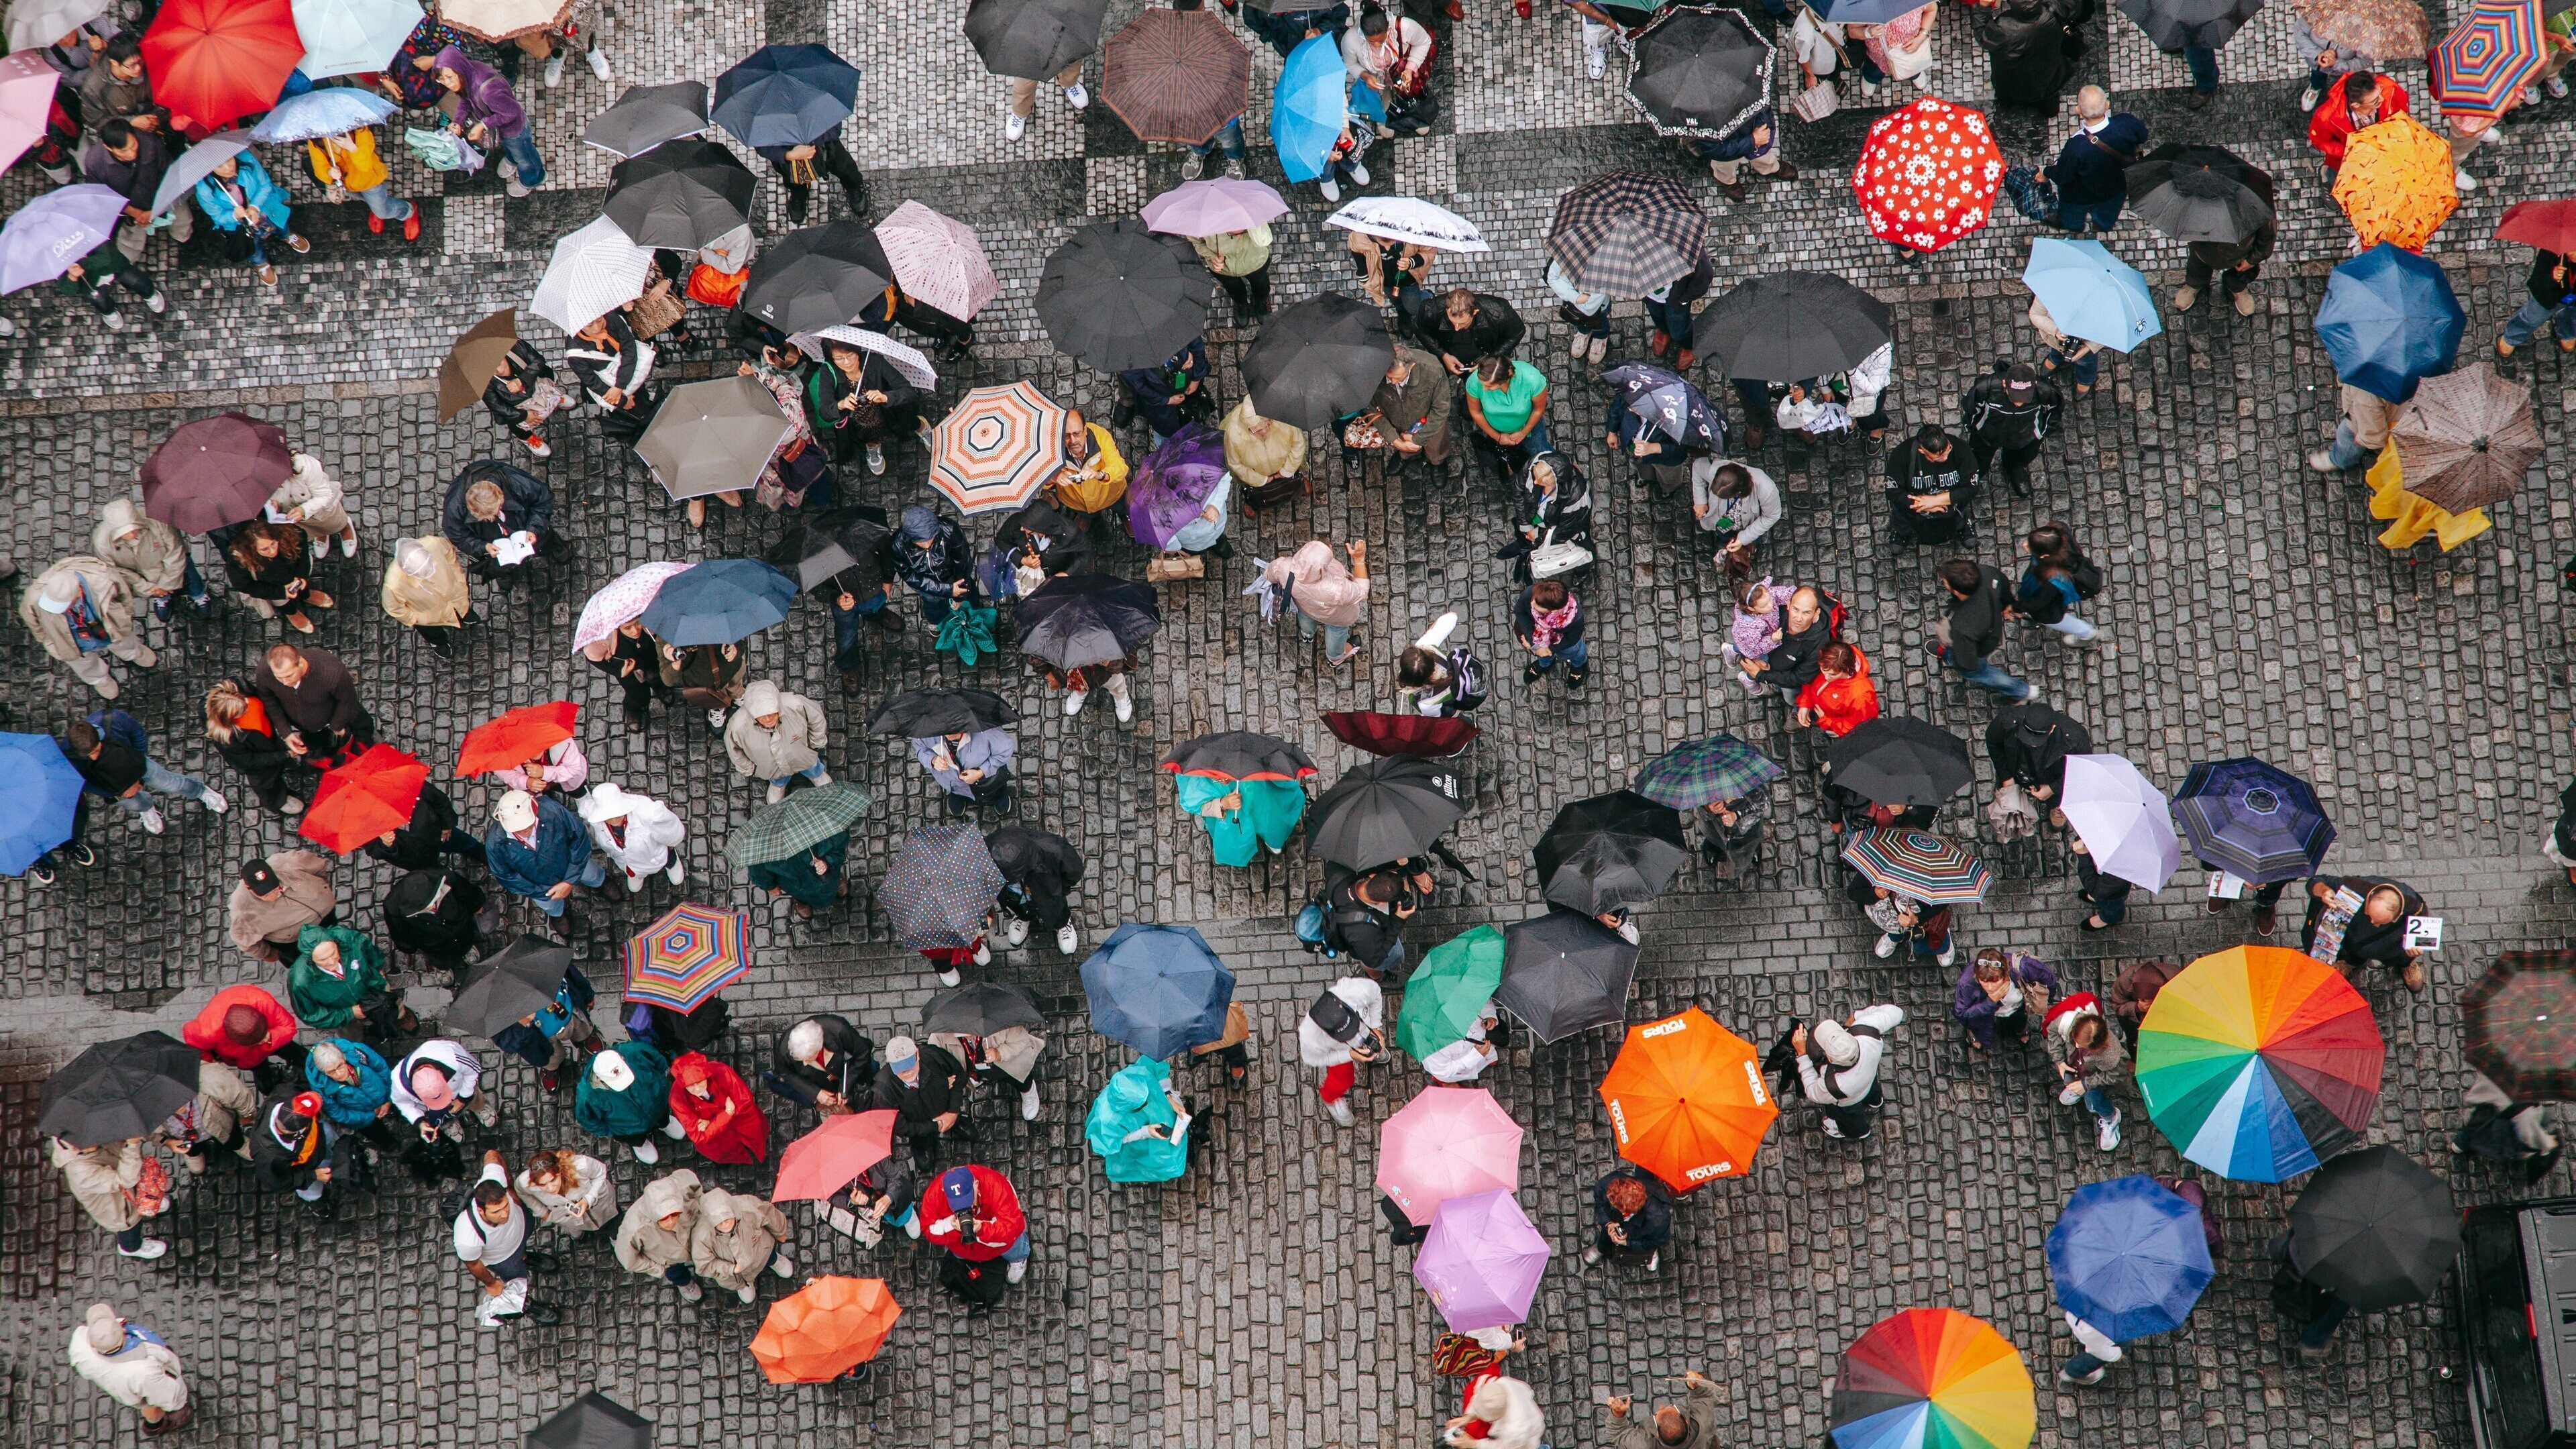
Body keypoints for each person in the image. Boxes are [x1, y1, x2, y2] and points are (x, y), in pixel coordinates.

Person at [63, 713, 225, 837]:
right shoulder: (67, 756)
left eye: (96, 751)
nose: (94, 758)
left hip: (138, 765)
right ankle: (147, 808)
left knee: (173, 784)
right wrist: (116, 792)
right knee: (136, 804)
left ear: (98, 736)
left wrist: (137, 764)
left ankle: (201, 791)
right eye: (88, 755)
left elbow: (138, 735)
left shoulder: (113, 720)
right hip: (114, 787)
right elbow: (85, 783)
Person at [455, 1149, 564, 1328]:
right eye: (497, 1212)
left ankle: (526, 1257)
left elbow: (492, 1155)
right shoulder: (467, 1235)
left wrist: (511, 1189)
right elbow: (473, 1263)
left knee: (522, 1249)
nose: (505, 1214)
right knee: (514, 1287)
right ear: (481, 1210)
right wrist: (491, 1283)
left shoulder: (494, 1180)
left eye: (505, 1206)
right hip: (505, 1259)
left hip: (522, 1229)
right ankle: (527, 1305)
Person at [21, 555, 156, 698]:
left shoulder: (104, 578)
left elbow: (124, 597)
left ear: (79, 591)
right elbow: (35, 626)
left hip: (107, 626)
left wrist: (123, 619)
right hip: (71, 640)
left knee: (123, 641)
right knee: (84, 663)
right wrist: (50, 643)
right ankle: (99, 680)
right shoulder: (33, 597)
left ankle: (134, 653)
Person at [434, 46, 543, 197]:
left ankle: (532, 180)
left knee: (526, 158)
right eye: (442, 79)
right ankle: (512, 159)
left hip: (514, 131)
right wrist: (458, 121)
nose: (448, 83)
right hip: (502, 130)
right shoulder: (467, 75)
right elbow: (466, 99)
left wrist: (483, 125)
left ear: (458, 69)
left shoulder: (487, 90)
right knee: (514, 150)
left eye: (450, 77)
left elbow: (513, 112)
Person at [68, 1303, 191, 1437]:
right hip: (143, 1384)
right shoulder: (143, 1371)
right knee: (153, 1405)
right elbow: (167, 1394)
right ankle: (155, 1426)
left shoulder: (79, 1344)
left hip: (118, 1384)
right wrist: (177, 1401)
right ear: (123, 1331)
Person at [83, 118, 192, 266]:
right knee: (130, 240)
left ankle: (184, 239)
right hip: (130, 209)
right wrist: (134, 213)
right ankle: (128, 262)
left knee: (183, 220)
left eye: (133, 146)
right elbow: (103, 196)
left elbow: (169, 173)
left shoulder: (150, 143)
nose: (131, 154)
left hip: (163, 196)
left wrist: (157, 208)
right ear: (108, 148)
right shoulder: (94, 163)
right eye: (123, 151)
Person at [192, 151, 307, 288]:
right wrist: (234, 215)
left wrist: (254, 207)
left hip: (264, 210)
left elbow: (265, 185)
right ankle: (261, 262)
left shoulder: (246, 159)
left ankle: (286, 236)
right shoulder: (204, 189)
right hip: (240, 226)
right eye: (219, 166)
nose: (228, 168)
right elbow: (217, 216)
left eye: (229, 160)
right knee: (253, 245)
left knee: (280, 225)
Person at [441, 462, 569, 586]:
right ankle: (504, 571)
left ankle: (551, 545)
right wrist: (483, 547)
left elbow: (542, 500)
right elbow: (458, 537)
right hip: (488, 537)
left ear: (501, 496)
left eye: (497, 510)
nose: (494, 518)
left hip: (521, 519)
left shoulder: (516, 482)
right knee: (498, 563)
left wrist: (533, 528)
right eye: (488, 517)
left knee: (543, 538)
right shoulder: (454, 509)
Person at [484, 789, 604, 920]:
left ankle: (601, 882)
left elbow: (578, 838)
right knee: (551, 906)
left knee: (593, 875)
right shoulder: (494, 843)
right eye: (517, 828)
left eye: (527, 825)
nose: (524, 831)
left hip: (573, 863)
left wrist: (570, 880)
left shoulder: (552, 810)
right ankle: (558, 915)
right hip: (540, 887)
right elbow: (505, 876)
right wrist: (543, 892)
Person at [1792, 1004, 1906, 1140]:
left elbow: (1812, 1091)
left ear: (1830, 1059)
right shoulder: (1866, 1030)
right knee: (1871, 1089)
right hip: (1869, 1077)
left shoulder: (1832, 1085)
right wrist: (1857, 1017)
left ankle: (1859, 1132)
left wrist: (1802, 1054)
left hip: (1850, 1100)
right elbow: (1896, 1012)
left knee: (1851, 1117)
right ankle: (1876, 1102)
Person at [2300, 875, 2430, 991]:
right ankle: (2350, 963)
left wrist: (2416, 946)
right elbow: (2315, 881)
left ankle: (2407, 964)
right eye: (2370, 914)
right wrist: (2323, 891)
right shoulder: (2354, 887)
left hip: (2392, 944)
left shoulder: (2415, 906)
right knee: (2352, 952)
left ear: (2398, 916)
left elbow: (2423, 934)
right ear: (2369, 899)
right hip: (2355, 938)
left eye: (2379, 921)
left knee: (2401, 955)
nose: (2372, 922)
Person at [2044, 88, 2146, 234]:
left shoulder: (2077, 146)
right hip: (2116, 188)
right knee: (2108, 213)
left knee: (2071, 213)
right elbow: (2143, 135)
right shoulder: (2126, 123)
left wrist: (2047, 172)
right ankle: (2102, 226)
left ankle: (2074, 226)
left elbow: (2064, 176)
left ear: (2078, 111)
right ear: (2107, 105)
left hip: (2081, 194)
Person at [50, 1132, 166, 1259]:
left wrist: (162, 1140)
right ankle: (130, 1248)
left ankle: (146, 1204)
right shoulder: (81, 1173)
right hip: (119, 1210)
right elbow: (126, 1180)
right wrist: (132, 1146)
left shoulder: (88, 1137)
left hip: (130, 1190)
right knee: (130, 1227)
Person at [284, 923, 407, 1044]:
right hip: (341, 1012)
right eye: (322, 960)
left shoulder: (347, 938)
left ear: (335, 944)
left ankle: (401, 1017)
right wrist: (349, 1013)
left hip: (372, 989)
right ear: (310, 958)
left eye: (333, 953)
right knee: (352, 1035)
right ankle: (359, 1044)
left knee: (391, 1003)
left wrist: (378, 969)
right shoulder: (300, 980)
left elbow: (368, 949)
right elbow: (310, 1015)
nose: (331, 962)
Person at [1934, 557, 2035, 703]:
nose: (1943, 581)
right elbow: (2002, 582)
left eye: (1945, 581)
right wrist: (2008, 603)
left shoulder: (1962, 626)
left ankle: (2021, 692)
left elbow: (1968, 663)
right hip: (1990, 629)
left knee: (1979, 672)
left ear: (1956, 591)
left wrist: (1956, 659)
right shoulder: (1986, 573)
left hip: (1979, 647)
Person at [564, 309, 664, 454]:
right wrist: (623, 401)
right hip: (609, 390)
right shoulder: (574, 353)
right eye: (590, 325)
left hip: (627, 376)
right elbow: (592, 382)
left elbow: (629, 349)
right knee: (627, 418)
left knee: (642, 401)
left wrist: (620, 386)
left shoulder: (612, 318)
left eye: (599, 320)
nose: (597, 328)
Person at [92, 498, 207, 625]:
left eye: (133, 528)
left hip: (175, 567)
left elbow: (175, 551)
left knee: (192, 580)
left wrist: (165, 584)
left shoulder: (157, 520)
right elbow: (115, 572)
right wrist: (150, 588)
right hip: (146, 577)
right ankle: (162, 597)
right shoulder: (102, 544)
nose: (131, 535)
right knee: (157, 592)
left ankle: (198, 595)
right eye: (125, 532)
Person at [251, 643, 373, 761]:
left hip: (335, 718)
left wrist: (337, 726)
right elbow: (268, 699)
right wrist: (286, 732)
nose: (285, 682)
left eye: (289, 675)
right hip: (307, 727)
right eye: (279, 677)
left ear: (300, 662)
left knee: (362, 740)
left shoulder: (332, 672)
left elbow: (347, 700)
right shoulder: (265, 671)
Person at [492, 963, 601, 1093]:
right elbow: (507, 1042)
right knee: (552, 1058)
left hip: (569, 1011)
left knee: (581, 1029)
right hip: (541, 1037)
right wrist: (523, 1024)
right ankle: (551, 1068)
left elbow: (571, 973)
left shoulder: (540, 962)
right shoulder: (495, 1006)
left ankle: (585, 1038)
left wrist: (587, 995)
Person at [250, 1088, 360, 1216]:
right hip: (305, 1168)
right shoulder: (268, 1156)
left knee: (334, 1141)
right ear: (299, 1131)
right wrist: (313, 1175)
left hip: (320, 1137)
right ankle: (317, 1203)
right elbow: (277, 1182)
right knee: (312, 1191)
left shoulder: (286, 1093)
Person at [1959, 362, 2061, 498]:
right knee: (1979, 460)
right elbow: (1971, 409)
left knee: (2019, 459)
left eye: (2025, 397)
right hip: (1988, 435)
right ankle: (1973, 479)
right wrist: (1975, 428)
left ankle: (2014, 470)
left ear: (2034, 385)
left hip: (2025, 438)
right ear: (2004, 384)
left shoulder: (2046, 391)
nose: (2018, 403)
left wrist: (2040, 434)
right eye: (2014, 396)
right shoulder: (1985, 388)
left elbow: (2054, 412)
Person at [1085, 1056, 1194, 1183]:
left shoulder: (1133, 1078)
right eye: (1142, 1105)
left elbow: (1156, 1075)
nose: (1147, 1105)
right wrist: (1145, 1132)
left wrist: (1169, 1097)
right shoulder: (1107, 1121)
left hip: (1149, 1117)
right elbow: (1118, 1140)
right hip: (1137, 1137)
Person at [723, 680, 832, 805]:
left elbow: (816, 719)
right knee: (777, 777)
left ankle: (816, 774)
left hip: (803, 756)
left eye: (771, 713)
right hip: (772, 768)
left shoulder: (795, 704)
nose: (768, 719)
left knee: (811, 766)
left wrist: (815, 743)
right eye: (762, 715)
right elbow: (734, 751)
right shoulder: (737, 727)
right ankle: (779, 783)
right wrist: (749, 768)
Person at [576, 1041, 685, 1165]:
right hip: (629, 1129)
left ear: (622, 1059)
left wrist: (661, 1087)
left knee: (662, 1116)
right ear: (600, 1079)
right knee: (635, 1139)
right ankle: (640, 1144)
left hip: (658, 1106)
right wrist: (613, 1132)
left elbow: (659, 1062)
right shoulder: (587, 1095)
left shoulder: (636, 1051)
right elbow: (588, 1120)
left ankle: (665, 1123)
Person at [988, 824, 1085, 959]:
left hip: (1045, 891)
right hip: (1015, 895)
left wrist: (1059, 890)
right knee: (1018, 904)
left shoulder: (1052, 850)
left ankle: (1062, 923)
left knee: (1055, 908)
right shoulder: (991, 850)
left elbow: (1074, 871)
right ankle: (1024, 916)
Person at [1299, 975, 1386, 1126]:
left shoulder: (1356, 991)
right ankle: (1330, 1099)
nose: (1354, 1036)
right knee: (1343, 1079)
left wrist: (1376, 1027)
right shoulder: (1311, 1038)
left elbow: (1376, 994)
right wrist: (1349, 1054)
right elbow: (1313, 1059)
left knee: (1371, 1039)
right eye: (1346, 1035)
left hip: (1366, 1029)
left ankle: (1371, 1049)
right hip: (1338, 1051)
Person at [2045, 992, 2128, 1150]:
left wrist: (2085, 1085)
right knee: (2072, 1080)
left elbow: (2117, 1075)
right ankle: (2076, 1089)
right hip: (2077, 1065)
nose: (2076, 1046)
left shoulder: (2111, 1054)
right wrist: (2060, 1062)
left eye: (2081, 1045)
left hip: (2092, 1076)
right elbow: (2053, 1031)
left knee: (2093, 1103)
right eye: (2075, 1041)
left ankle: (2111, 1117)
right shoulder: (2068, 1021)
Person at [1266, 540, 1368, 667]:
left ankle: (1308, 635)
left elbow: (1269, 575)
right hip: (1336, 616)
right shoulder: (1338, 589)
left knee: (1306, 618)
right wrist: (1359, 560)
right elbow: (1362, 591)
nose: (1330, 547)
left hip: (1306, 607)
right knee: (1336, 631)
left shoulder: (1284, 566)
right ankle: (1335, 658)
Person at [225, 851, 340, 964]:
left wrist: (322, 888)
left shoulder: (290, 862)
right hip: (295, 942)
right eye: (266, 894)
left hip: (327, 918)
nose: (273, 895)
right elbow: (243, 939)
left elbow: (319, 866)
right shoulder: (242, 909)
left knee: (338, 945)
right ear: (248, 887)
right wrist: (268, 954)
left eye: (275, 888)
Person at [310, 122, 419, 242]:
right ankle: (375, 207)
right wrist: (329, 172)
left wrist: (352, 148)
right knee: (370, 201)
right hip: (347, 186)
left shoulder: (360, 130)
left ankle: (408, 211)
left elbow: (365, 166)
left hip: (370, 183)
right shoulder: (317, 140)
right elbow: (319, 169)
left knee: (383, 213)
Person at [924, 1163, 1031, 1284]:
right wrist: (951, 1225)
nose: (966, 1208)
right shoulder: (936, 1196)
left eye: (968, 1200)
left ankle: (1018, 1258)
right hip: (964, 1248)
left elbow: (1012, 1228)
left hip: (1002, 1244)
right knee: (961, 1254)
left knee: (1015, 1248)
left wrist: (981, 1229)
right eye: (957, 1205)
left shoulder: (997, 1186)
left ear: (976, 1185)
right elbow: (929, 1228)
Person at [1359, 345, 1453, 482]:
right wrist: (1394, 439)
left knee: (1436, 444)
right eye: (1389, 377)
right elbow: (1370, 407)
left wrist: (1418, 439)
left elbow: (1441, 409)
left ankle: (1438, 460)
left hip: (1430, 423)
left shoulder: (1433, 370)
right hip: (1397, 423)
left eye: (1398, 378)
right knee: (1404, 446)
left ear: (1411, 366)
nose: (1393, 382)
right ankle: (1405, 455)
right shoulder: (1372, 372)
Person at [692, 1182, 795, 1304]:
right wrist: (731, 1269)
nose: (724, 1224)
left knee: (768, 1256)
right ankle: (743, 1285)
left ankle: (774, 1260)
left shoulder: (748, 1206)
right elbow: (704, 1264)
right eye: (718, 1221)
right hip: (734, 1274)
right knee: (736, 1281)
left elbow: (769, 1214)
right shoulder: (701, 1236)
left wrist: (780, 1232)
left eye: (727, 1218)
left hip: (760, 1249)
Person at [875, 1034, 974, 1161]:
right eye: (900, 1067)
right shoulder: (883, 1090)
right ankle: (922, 1147)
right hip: (918, 1126)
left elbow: (959, 1075)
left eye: (909, 1063)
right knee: (921, 1140)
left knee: (954, 1119)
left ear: (918, 1054)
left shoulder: (933, 1056)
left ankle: (956, 1123)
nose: (907, 1071)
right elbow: (900, 1126)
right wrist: (935, 1126)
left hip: (944, 1106)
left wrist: (953, 1111)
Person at [152, 1057, 256, 1177]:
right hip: (184, 1138)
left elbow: (240, 1097)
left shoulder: (211, 1078)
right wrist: (167, 1141)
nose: (176, 1106)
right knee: (191, 1149)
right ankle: (194, 1154)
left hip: (223, 1123)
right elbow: (148, 1131)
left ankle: (239, 1145)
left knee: (233, 1138)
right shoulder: (143, 1107)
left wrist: (247, 1116)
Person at [577, 782, 686, 895]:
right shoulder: (592, 815)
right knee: (634, 873)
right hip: (629, 862)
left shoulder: (649, 814)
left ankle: (671, 862)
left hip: (655, 854)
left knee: (667, 855)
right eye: (608, 816)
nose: (614, 820)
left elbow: (671, 829)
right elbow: (584, 811)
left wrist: (672, 844)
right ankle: (636, 874)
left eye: (617, 813)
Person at [615, 1169, 707, 1301]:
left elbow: (695, 1187)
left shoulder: (682, 1186)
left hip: (692, 1236)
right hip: (668, 1260)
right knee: (676, 1273)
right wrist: (658, 1269)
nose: (671, 1222)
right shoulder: (633, 1228)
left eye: (675, 1214)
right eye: (663, 1219)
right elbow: (627, 1258)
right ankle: (684, 1283)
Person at [1504, 451, 1593, 586]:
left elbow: (1564, 531)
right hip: (1537, 522)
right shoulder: (1536, 464)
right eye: (1536, 478)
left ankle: (1582, 571)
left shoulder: (1577, 496)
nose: (1535, 482)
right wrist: (1526, 526)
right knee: (1527, 540)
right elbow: (1518, 491)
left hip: (1568, 531)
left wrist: (1536, 536)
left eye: (1541, 481)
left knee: (1580, 551)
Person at [384, 867, 488, 981]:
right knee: (441, 959)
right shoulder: (393, 909)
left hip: (462, 929)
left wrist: (477, 905)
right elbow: (401, 935)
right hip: (435, 946)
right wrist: (410, 947)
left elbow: (467, 892)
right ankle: (443, 967)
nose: (435, 907)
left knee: (465, 941)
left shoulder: (445, 876)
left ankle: (466, 950)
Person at [381, 536, 477, 659]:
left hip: (453, 594)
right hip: (426, 612)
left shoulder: (435, 544)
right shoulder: (393, 585)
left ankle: (464, 613)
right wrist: (417, 619)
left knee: (461, 604)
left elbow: (450, 555)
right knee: (432, 632)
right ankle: (438, 643)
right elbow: (394, 608)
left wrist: (458, 579)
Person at [755, 122, 868, 226]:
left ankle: (854, 188)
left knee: (845, 169)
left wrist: (814, 142)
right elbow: (761, 143)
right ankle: (799, 195)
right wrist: (788, 155)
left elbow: (835, 126)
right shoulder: (764, 116)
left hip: (827, 149)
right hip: (790, 161)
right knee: (794, 181)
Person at [2174, 206, 2276, 321]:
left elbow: (2268, 234)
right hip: (2203, 248)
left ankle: (2237, 286)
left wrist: (2252, 260)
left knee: (2241, 272)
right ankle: (2195, 283)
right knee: (2198, 267)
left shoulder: (2255, 203)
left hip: (2241, 252)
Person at [1974, 0, 2078, 112]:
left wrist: (1983, 8)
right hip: (2049, 74)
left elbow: (1983, 36)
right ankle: (2050, 111)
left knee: (2008, 101)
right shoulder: (2055, 11)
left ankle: (2008, 108)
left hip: (2013, 82)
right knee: (2049, 98)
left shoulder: (2003, 29)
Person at [392, 1039, 499, 1146]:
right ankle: (448, 1123)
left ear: (441, 1073)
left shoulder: (451, 1056)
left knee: (474, 1099)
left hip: (461, 1088)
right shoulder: (397, 1084)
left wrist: (464, 1098)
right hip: (434, 1111)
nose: (444, 1102)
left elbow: (473, 1071)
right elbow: (402, 1103)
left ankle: (479, 1107)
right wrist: (419, 1121)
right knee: (440, 1118)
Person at [303, 1038, 399, 1158]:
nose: (339, 1073)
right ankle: (389, 1144)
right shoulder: (320, 1087)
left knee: (399, 1107)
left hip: (383, 1096)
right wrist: (369, 1116)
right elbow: (338, 1113)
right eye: (332, 1072)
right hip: (362, 1117)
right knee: (377, 1133)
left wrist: (388, 1099)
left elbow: (382, 1070)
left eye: (340, 1066)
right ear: (323, 1072)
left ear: (344, 1058)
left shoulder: (359, 1052)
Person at [1735, 584, 1831, 702]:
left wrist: (1761, 675)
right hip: (1769, 666)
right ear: (1788, 604)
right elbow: (1747, 633)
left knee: (1791, 699)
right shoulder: (1775, 611)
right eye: (1795, 609)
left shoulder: (1820, 647)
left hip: (1788, 682)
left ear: (1816, 614)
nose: (1798, 619)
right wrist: (1751, 659)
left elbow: (1799, 678)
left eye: (1806, 613)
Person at [2013, 523, 2104, 647]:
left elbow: (2036, 603)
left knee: (2052, 618)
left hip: (2051, 605)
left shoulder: (2050, 582)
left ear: (2044, 555)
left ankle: (2087, 633)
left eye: (2030, 546)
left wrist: (2015, 607)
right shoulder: (2060, 533)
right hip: (2056, 591)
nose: (2025, 545)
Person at [1464, 354, 1552, 482]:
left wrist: (1524, 433)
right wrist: (1498, 437)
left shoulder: (1532, 379)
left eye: (1489, 386)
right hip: (1495, 428)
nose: (1483, 388)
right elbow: (1476, 412)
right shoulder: (1475, 381)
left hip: (1528, 426)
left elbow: (1538, 410)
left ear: (1503, 380)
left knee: (1541, 452)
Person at [670, 1052, 769, 1165]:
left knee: (757, 1138)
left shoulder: (721, 1071)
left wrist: (712, 1124)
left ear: (706, 1075)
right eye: (691, 1085)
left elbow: (745, 1101)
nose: (697, 1089)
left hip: (741, 1123)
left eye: (700, 1082)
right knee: (728, 1154)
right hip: (720, 1141)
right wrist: (727, 1114)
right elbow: (699, 1136)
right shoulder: (677, 1099)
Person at [1953, 949, 2057, 1052]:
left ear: (2005, 973)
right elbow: (1961, 1013)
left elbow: (2048, 978)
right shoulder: (1966, 983)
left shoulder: (2025, 966)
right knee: (1978, 1024)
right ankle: (1977, 1034)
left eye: (1995, 982)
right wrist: (1990, 1002)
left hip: (2017, 1008)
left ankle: (2021, 1031)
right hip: (1983, 1013)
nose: (1990, 988)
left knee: (2019, 1020)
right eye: (1984, 982)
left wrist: (2050, 996)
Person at [2308, 72, 2404, 182]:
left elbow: (2401, 111)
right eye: (2375, 101)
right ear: (2356, 105)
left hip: (2382, 150)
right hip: (2350, 160)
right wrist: (2349, 151)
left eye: (2380, 93)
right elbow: (2320, 141)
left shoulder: (2389, 88)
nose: (2382, 99)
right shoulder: (2327, 116)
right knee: (2338, 178)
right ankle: (2327, 174)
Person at [767, 1014, 875, 1112]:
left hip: (854, 1069)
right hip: (822, 1081)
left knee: (871, 1076)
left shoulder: (839, 1030)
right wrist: (816, 1093)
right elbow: (785, 1073)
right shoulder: (785, 1049)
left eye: (809, 1058)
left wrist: (845, 1085)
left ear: (819, 1047)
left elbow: (862, 1053)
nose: (805, 1064)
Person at [1118, 337, 1212, 449]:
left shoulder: (1174, 329)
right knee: (1166, 432)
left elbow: (1196, 344)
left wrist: (1196, 379)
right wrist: (1167, 401)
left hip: (1186, 384)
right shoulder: (1130, 356)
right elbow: (1140, 386)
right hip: (1161, 407)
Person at [482, 339, 568, 458]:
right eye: (491, 370)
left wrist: (522, 380)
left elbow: (538, 361)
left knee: (550, 393)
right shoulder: (483, 382)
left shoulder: (517, 346)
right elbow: (498, 407)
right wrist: (524, 415)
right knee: (514, 423)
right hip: (517, 407)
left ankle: (555, 401)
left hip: (539, 387)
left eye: (498, 363)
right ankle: (528, 438)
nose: (499, 371)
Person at [894, 506, 979, 627]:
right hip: (928, 586)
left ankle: (975, 610)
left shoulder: (949, 529)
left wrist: (959, 595)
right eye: (920, 541)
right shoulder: (898, 545)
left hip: (953, 576)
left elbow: (962, 561)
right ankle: (937, 622)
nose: (927, 545)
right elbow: (910, 577)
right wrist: (948, 590)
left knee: (970, 596)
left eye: (930, 538)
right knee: (933, 605)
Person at [2304, 368, 2401, 474]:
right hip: (2398, 411)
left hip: (2366, 422)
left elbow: (2374, 436)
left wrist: (2361, 440)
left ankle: (2340, 460)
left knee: (2347, 438)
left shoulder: (2365, 395)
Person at [1692, 460, 1780, 574]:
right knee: (1723, 537)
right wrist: (1700, 501)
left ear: (1739, 492)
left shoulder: (1766, 489)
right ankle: (1724, 543)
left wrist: (1743, 539)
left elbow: (1772, 516)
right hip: (1723, 523)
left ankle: (1748, 551)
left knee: (1752, 542)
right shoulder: (1714, 471)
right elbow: (1698, 466)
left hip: (1749, 525)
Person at [515, 1148, 619, 1242]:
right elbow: (522, 1193)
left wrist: (589, 1198)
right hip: (566, 1217)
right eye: (542, 1185)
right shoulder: (524, 1183)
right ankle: (578, 1235)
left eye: (553, 1180)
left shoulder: (581, 1165)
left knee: (612, 1224)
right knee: (574, 1228)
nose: (550, 1189)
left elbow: (600, 1172)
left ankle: (615, 1237)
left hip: (600, 1206)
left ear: (560, 1171)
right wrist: (542, 1212)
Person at [1222, 399, 1307, 515]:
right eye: (1258, 430)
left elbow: (1299, 444)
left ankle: (1298, 483)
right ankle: (1252, 501)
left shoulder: (1283, 419)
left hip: (1284, 464)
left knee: (1295, 473)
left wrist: (1287, 470)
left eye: (1268, 424)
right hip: (1256, 473)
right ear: (1247, 428)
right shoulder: (1234, 435)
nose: (1265, 431)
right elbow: (1235, 465)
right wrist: (1260, 480)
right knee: (1252, 490)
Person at [1584, 1163, 1673, 1270]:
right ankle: (1602, 1248)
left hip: (1644, 1228)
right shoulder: (1607, 1184)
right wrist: (1608, 1223)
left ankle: (1650, 1253)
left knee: (1650, 1240)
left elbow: (1657, 1240)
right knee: (1645, 1166)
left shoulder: (1658, 1218)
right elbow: (1600, 1203)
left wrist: (1626, 1243)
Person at [913, 724, 1017, 817]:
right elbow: (919, 747)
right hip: (954, 783)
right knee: (957, 790)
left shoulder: (988, 730)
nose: (951, 734)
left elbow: (1005, 750)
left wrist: (981, 771)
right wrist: (932, 759)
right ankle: (959, 795)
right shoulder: (925, 730)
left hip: (988, 780)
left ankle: (999, 795)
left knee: (996, 789)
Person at [1419, 289, 1527, 379]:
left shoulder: (1499, 310)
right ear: (1447, 310)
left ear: (1475, 312)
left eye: (1462, 323)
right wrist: (1443, 355)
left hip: (1485, 351)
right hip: (1451, 349)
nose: (1456, 328)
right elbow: (1420, 330)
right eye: (1452, 322)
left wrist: (1491, 360)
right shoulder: (1430, 309)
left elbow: (1517, 332)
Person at [1697, 110, 1796, 207]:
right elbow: (1713, 149)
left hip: (1752, 131)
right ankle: (1728, 181)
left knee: (1764, 157)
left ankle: (1771, 167)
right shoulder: (1698, 112)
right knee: (1724, 168)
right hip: (1725, 147)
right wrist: (1752, 141)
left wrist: (1760, 127)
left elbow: (1764, 107)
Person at [749, 829, 852, 920]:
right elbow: (757, 872)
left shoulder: (819, 825)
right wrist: (770, 886)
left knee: (832, 882)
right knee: (802, 894)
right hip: (795, 886)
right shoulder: (761, 845)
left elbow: (840, 843)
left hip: (829, 876)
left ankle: (837, 881)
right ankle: (801, 901)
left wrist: (827, 862)